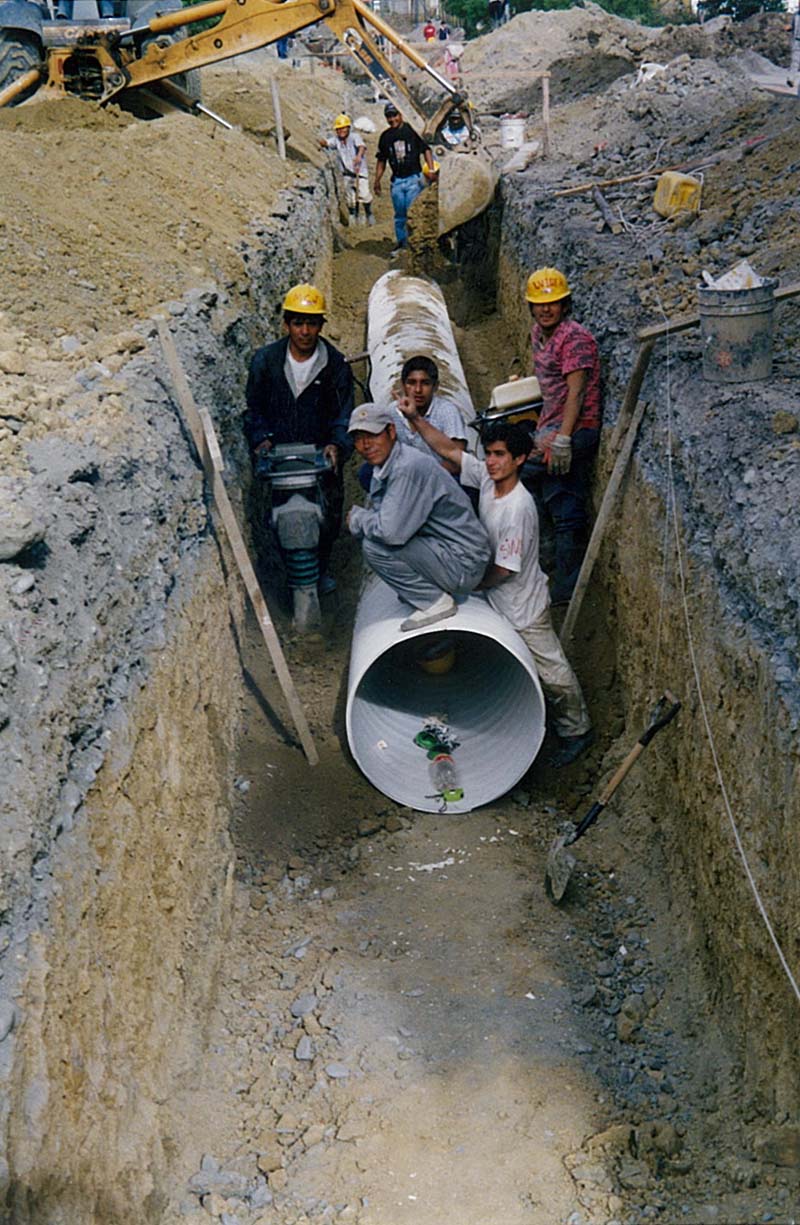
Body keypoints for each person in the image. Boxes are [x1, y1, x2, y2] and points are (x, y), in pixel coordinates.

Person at [396, 407, 593, 765]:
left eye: (499, 455)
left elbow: (504, 569)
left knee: (552, 672)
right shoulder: (488, 481)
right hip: (497, 599)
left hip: (523, 607)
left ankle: (575, 729)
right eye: (488, 454)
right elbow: (450, 450)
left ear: (519, 459)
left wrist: (470, 585)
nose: (490, 461)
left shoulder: (518, 508)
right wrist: (415, 419)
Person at [244, 283, 354, 592]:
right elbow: (253, 409)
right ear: (286, 323)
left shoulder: (334, 365)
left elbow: (344, 414)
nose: (304, 330)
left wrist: (336, 445)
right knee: (277, 518)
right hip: (279, 460)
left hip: (319, 459)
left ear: (320, 325)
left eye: (311, 323)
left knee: (327, 515)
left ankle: (319, 569)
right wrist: (261, 439)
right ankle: (289, 575)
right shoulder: (265, 362)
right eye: (298, 322)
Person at [346, 403, 491, 632]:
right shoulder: (388, 464)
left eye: (372, 435)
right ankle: (430, 588)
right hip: (450, 552)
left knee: (374, 546)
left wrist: (357, 518)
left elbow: (391, 533)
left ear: (391, 432)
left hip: (464, 563)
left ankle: (434, 601)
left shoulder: (406, 467)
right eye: (359, 438)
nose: (366, 445)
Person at [523, 266, 601, 605]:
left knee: (527, 473)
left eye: (553, 303)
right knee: (556, 489)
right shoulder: (538, 334)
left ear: (564, 304)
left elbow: (576, 393)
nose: (546, 309)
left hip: (576, 428)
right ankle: (553, 563)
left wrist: (564, 440)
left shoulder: (575, 339)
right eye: (540, 304)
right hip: (550, 426)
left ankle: (562, 576)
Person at [373, 102, 436, 253]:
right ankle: (402, 244)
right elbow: (381, 159)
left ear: (400, 114)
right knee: (400, 215)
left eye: (394, 115)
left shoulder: (412, 131)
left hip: (414, 178)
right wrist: (377, 180)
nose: (392, 119)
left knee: (413, 213)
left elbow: (426, 149)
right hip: (397, 181)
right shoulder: (385, 137)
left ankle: (416, 244)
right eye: (389, 116)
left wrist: (431, 169)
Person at [320, 114, 375, 226]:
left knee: (364, 195)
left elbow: (361, 147)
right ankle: (352, 215)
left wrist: (359, 156)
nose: (341, 131)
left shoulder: (355, 137)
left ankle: (369, 213)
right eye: (339, 129)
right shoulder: (336, 140)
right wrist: (321, 143)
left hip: (360, 172)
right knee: (350, 198)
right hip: (347, 174)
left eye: (344, 128)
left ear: (348, 128)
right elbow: (327, 143)